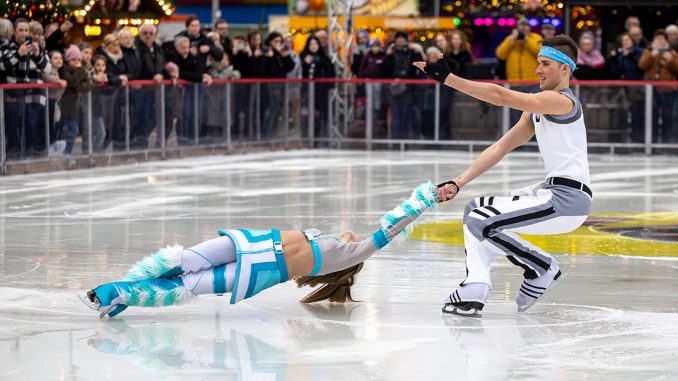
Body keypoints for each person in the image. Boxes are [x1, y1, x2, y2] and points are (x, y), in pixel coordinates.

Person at [415, 35, 592, 317]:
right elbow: (500, 148)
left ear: (565, 69)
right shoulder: (537, 112)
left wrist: (450, 79)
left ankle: (541, 266)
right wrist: (457, 182)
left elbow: (500, 96)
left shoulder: (562, 102)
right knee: (475, 209)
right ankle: (475, 286)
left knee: (480, 219)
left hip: (566, 201)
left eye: (545, 64)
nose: (538, 70)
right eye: (538, 63)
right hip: (552, 195)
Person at [78, 181, 438, 318]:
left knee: (187, 285)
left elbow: (388, 230)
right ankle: (122, 291)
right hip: (253, 242)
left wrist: (422, 202)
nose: (351, 231)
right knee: (181, 260)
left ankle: (110, 294)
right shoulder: (327, 239)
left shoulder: (351, 254)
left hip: (260, 271)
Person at [496, 17, 542, 124]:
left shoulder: (535, 37)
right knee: (516, 116)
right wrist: (511, 40)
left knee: (534, 114)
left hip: (533, 83)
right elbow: (500, 54)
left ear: (529, 28)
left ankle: (535, 140)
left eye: (525, 26)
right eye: (521, 26)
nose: (523, 28)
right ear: (516, 28)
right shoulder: (510, 39)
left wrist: (526, 41)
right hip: (514, 84)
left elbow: (540, 52)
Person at [639, 29, 678, 144]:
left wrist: (670, 61)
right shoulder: (648, 51)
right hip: (652, 91)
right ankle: (652, 142)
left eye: (662, 38)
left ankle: (667, 142)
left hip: (669, 90)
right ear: (654, 40)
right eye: (657, 38)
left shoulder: (672, 52)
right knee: (652, 116)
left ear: (666, 40)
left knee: (668, 116)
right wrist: (651, 56)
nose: (660, 40)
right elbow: (641, 66)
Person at [610, 32, 645, 143]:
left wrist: (630, 55)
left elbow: (641, 67)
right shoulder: (621, 56)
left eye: (628, 40)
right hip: (627, 89)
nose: (626, 42)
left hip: (640, 88)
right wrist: (613, 59)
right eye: (624, 41)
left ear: (632, 41)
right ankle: (630, 139)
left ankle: (640, 139)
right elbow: (617, 73)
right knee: (629, 114)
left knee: (639, 114)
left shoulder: (639, 51)